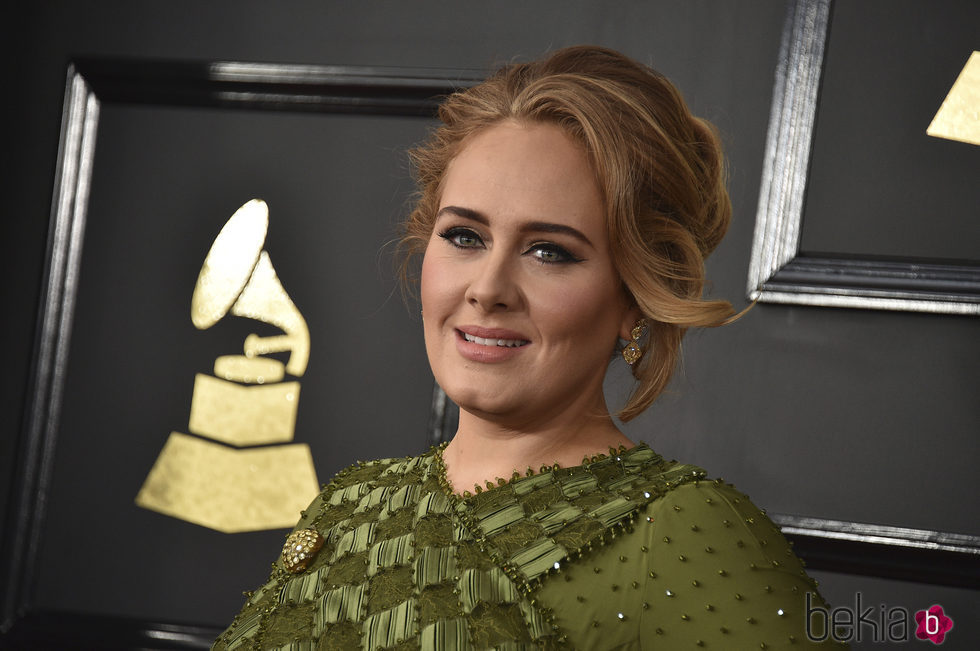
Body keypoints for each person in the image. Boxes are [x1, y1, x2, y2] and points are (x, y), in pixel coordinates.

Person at [213, 46, 845, 650]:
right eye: (464, 236)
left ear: (636, 297)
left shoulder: (687, 532)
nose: (487, 290)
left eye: (550, 251)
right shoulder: (353, 502)